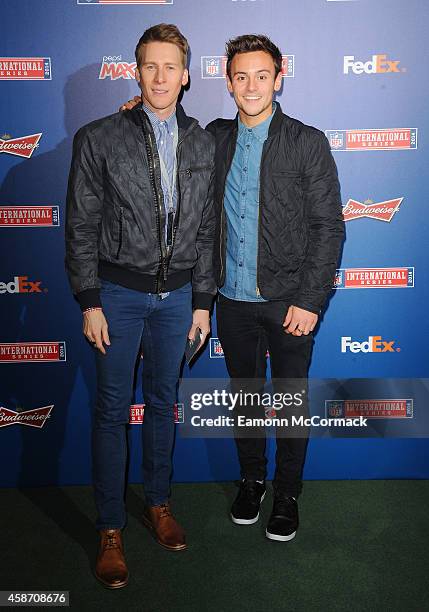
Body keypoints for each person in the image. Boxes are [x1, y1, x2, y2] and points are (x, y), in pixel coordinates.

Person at [121, 33, 344, 543]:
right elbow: (166, 127)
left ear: (278, 78)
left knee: (290, 402)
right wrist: (134, 110)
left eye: (261, 76)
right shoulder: (213, 138)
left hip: (290, 301)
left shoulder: (307, 142)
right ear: (227, 81)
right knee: (244, 397)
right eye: (240, 76)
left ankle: (287, 492)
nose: (250, 86)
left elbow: (329, 227)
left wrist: (310, 301)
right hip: (232, 301)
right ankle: (252, 480)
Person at [65, 23, 216, 589]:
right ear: (136, 72)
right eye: (149, 66)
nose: (160, 77)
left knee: (161, 405)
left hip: (178, 298)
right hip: (119, 297)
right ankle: (109, 527)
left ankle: (157, 503)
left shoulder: (203, 142)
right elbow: (79, 225)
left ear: (185, 74)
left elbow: (205, 231)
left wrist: (202, 303)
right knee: (109, 411)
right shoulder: (98, 137)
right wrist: (90, 299)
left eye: (170, 66)